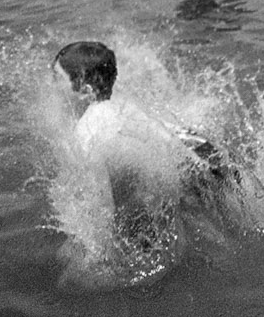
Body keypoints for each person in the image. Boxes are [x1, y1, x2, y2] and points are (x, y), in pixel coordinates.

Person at [51, 39, 232, 198]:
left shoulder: (88, 131)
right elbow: (167, 139)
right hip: (203, 150)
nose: (52, 84)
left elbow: (103, 205)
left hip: (190, 174)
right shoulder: (121, 102)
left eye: (58, 79)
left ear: (85, 89)